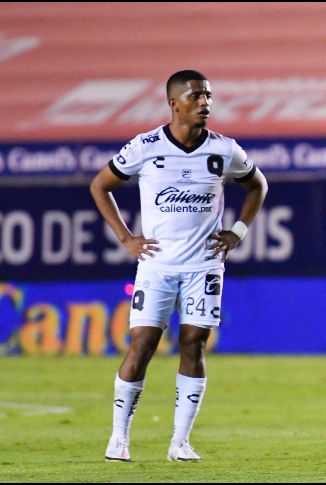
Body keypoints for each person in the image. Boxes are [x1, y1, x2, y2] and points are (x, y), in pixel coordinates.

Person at [90, 70, 268, 463]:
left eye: (208, 96)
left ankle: (180, 442)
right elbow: (100, 185)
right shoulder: (145, 146)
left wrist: (237, 230)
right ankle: (118, 438)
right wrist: (126, 238)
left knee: (193, 345)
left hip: (204, 267)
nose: (205, 103)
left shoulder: (225, 150)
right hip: (157, 266)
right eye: (196, 96)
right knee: (142, 346)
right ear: (174, 104)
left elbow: (258, 184)